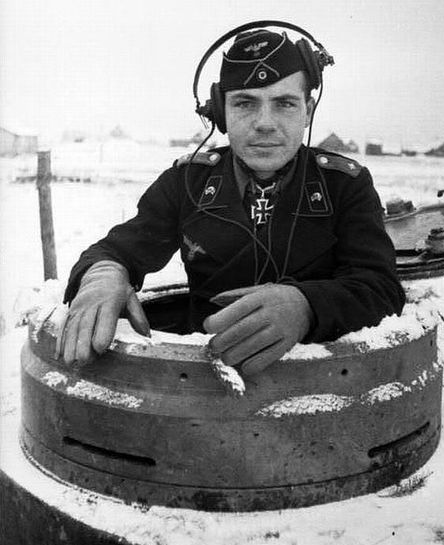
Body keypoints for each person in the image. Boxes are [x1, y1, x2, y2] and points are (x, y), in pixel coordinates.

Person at [56, 25, 405, 375]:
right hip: (201, 374)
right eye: (245, 103)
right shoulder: (188, 182)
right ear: (221, 113)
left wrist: (308, 306)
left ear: (308, 110)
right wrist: (104, 274)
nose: (264, 123)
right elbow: (119, 249)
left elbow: (381, 287)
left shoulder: (344, 185)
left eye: (284, 103)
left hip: (317, 377)